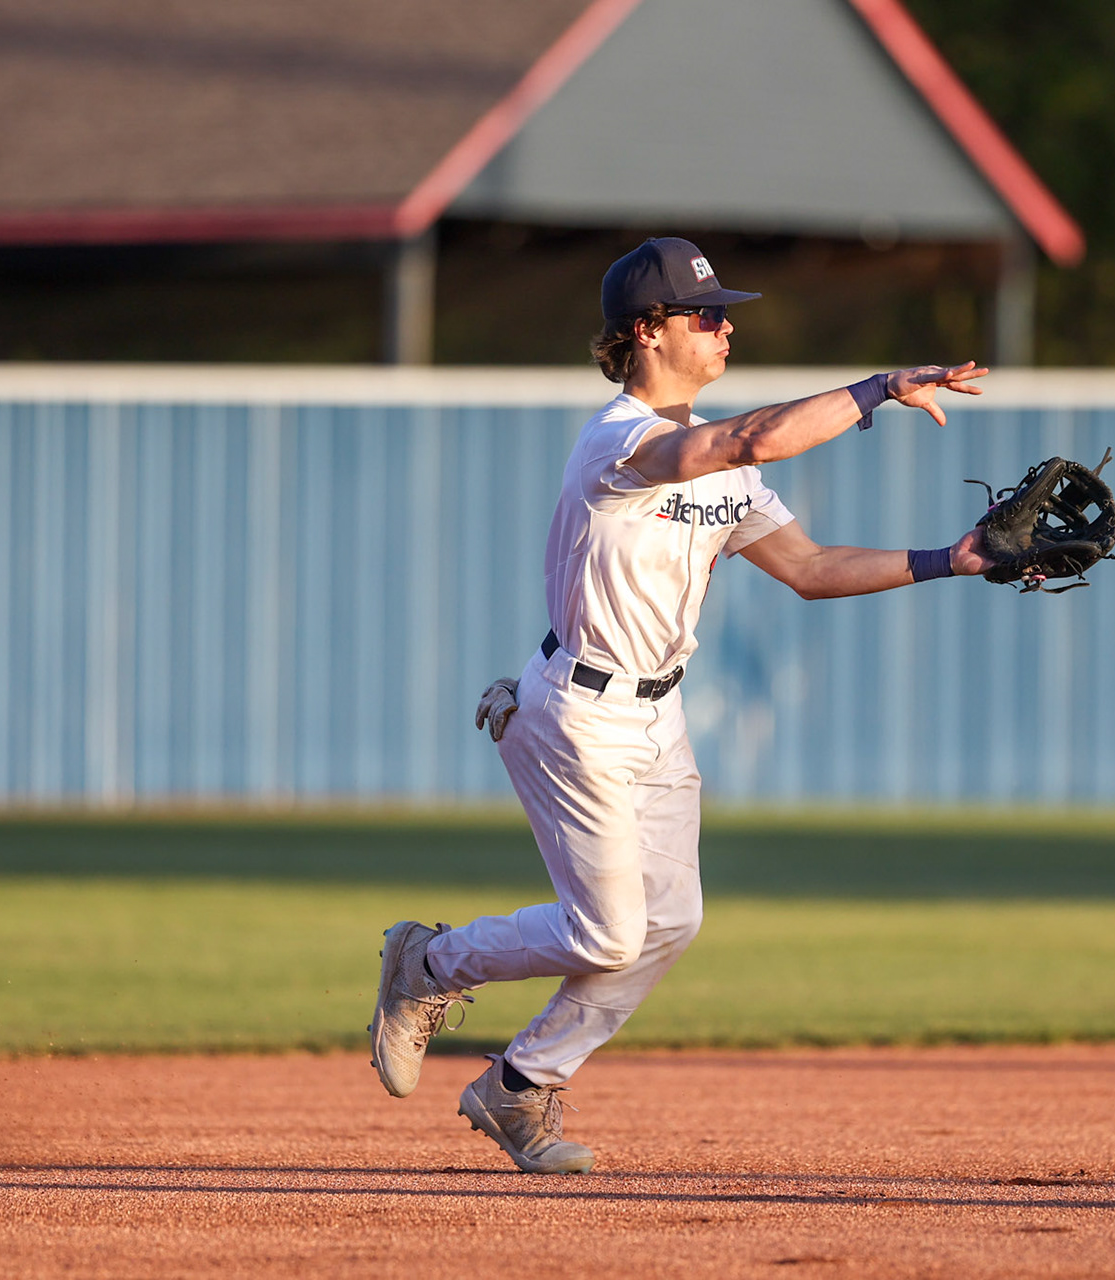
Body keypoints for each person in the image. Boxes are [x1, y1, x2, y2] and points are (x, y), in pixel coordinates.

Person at [369, 236, 993, 1174]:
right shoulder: (620, 445)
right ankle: (426, 965)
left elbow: (812, 570)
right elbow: (739, 438)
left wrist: (953, 558)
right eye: (706, 313)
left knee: (670, 924)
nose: (725, 324)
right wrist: (876, 389)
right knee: (610, 930)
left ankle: (518, 1086)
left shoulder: (727, 477)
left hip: (658, 717)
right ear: (648, 332)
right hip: (575, 713)